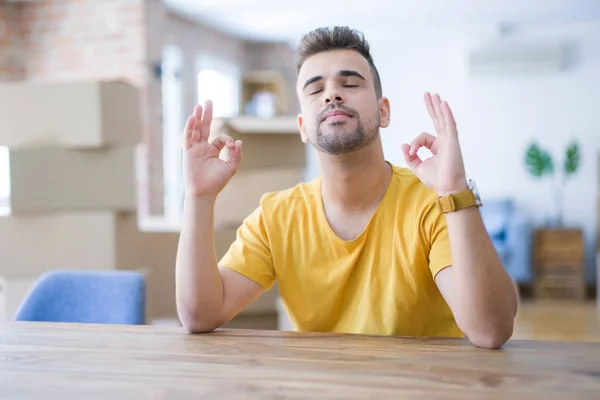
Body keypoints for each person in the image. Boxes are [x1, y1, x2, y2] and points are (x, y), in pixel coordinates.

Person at [175, 26, 519, 349]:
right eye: (315, 88)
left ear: (384, 112)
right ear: (303, 127)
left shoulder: (433, 203)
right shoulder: (275, 216)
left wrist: (455, 190)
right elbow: (200, 315)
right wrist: (199, 197)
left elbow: (490, 331)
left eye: (350, 83)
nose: (332, 95)